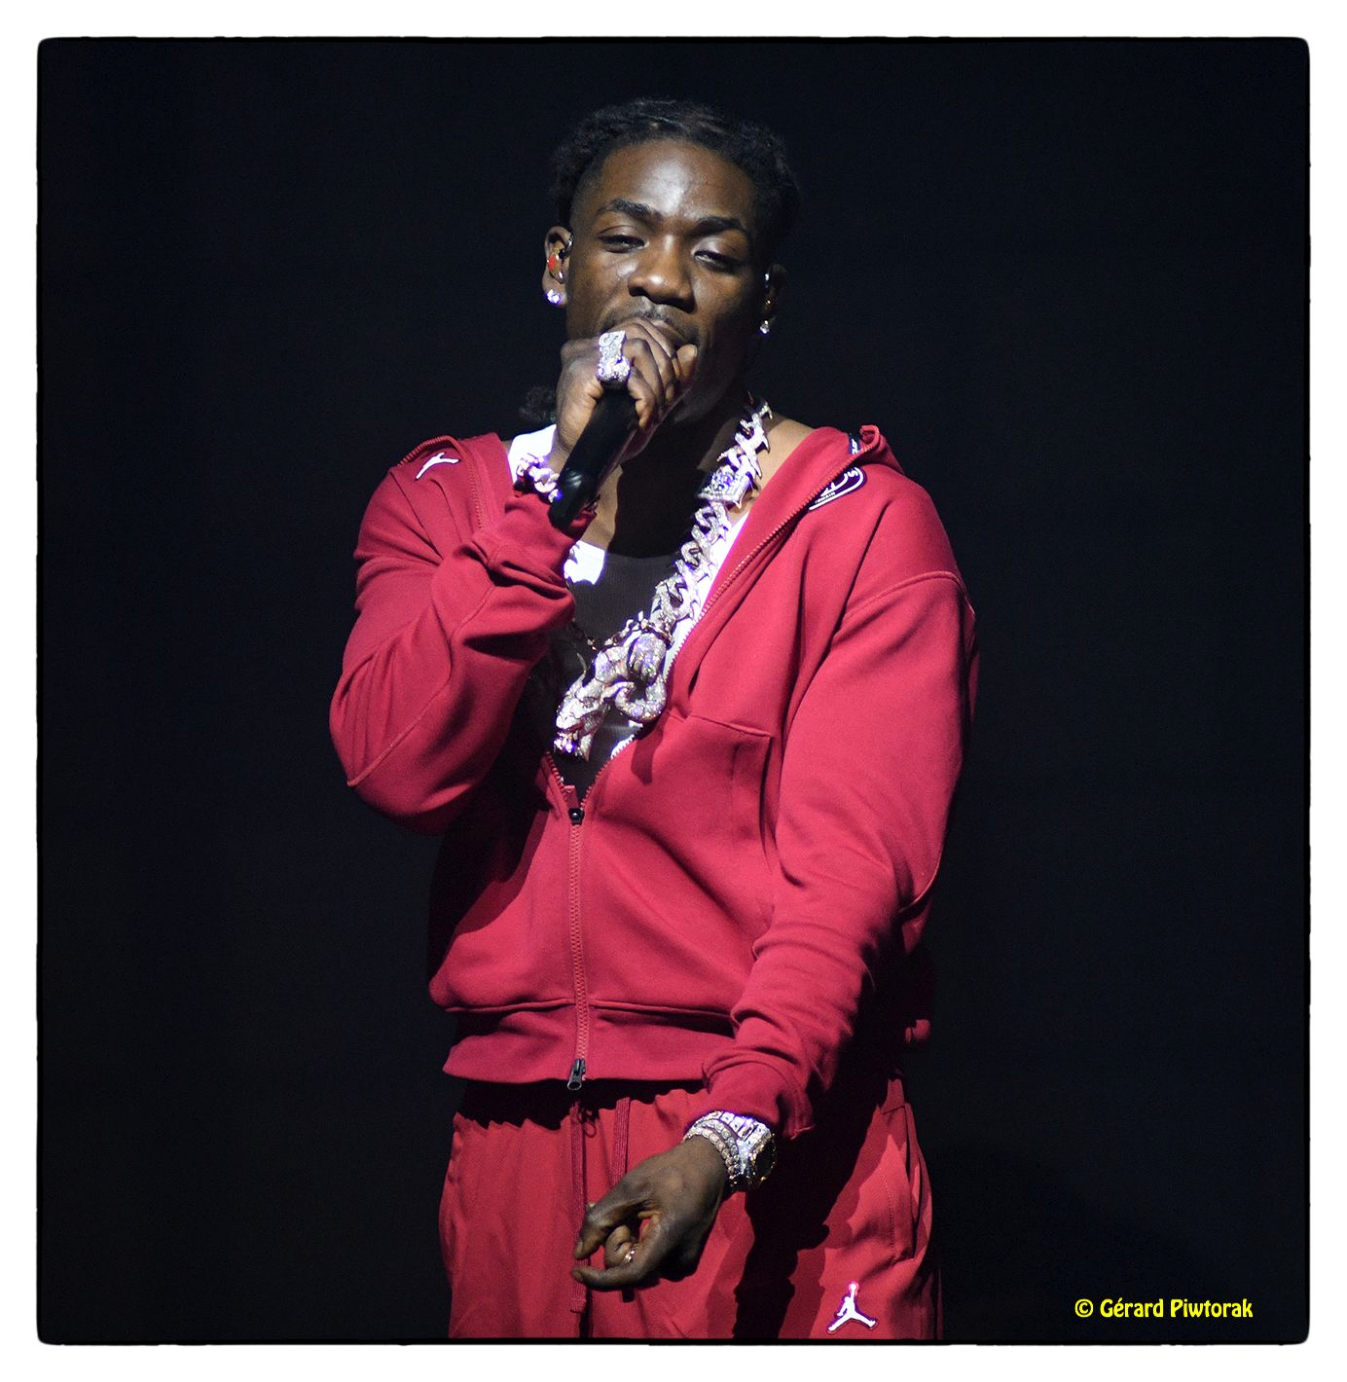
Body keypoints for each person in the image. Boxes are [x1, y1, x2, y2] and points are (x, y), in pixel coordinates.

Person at [330, 98, 978, 1340]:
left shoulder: (859, 528)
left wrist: (729, 1134)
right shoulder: (447, 502)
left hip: (773, 1138)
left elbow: (852, 875)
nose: (665, 282)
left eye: (714, 254)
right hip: (519, 1145)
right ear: (558, 264)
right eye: (626, 239)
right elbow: (399, 766)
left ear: (765, 299)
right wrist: (558, 500)